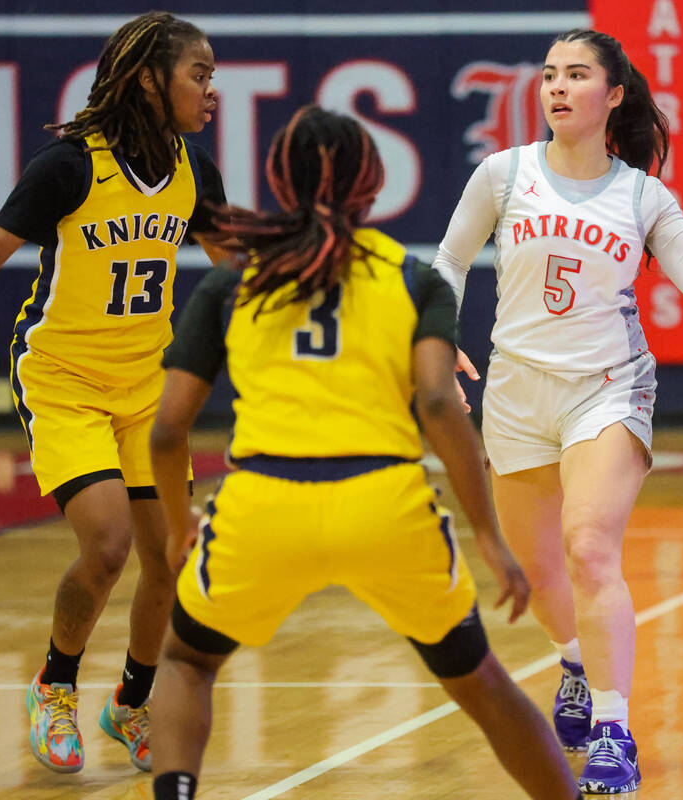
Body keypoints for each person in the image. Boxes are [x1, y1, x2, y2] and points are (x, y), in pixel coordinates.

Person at [432, 28, 683, 794]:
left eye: (577, 75)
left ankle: (613, 735)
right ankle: (575, 664)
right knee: (538, 567)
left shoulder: (643, 196)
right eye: (551, 75)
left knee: (589, 547)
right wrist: (436, 339)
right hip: (517, 391)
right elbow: (450, 260)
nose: (557, 87)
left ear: (613, 94)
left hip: (608, 387)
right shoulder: (503, 173)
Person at [147, 104, 585, 800]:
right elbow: (440, 405)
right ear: (373, 186)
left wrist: (178, 529)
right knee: (483, 686)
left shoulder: (233, 282)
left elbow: (168, 431)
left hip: (264, 507)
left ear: (278, 183)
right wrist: (488, 538)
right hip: (385, 506)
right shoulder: (415, 281)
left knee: (186, 661)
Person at [0, 12, 227, 774]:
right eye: (199, 74)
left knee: (168, 557)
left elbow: (239, 263)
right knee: (107, 545)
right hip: (64, 379)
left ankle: (130, 703)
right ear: (147, 79)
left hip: (146, 384)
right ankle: (55, 685)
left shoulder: (194, 169)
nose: (212, 89)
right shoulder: (70, 166)